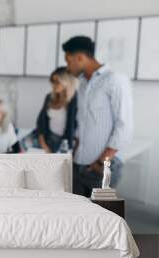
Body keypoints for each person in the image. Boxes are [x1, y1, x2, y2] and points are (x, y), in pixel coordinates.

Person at [62, 36, 133, 197]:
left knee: (99, 217)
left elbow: (124, 125)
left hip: (102, 166)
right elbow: (81, 122)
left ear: (80, 58)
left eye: (69, 61)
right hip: (79, 163)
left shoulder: (115, 80)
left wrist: (102, 161)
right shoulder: (82, 83)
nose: (67, 67)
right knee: (76, 215)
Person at [36, 67, 78, 153]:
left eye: (57, 82)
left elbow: (74, 126)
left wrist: (68, 148)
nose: (53, 85)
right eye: (52, 81)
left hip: (64, 143)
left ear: (66, 82)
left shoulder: (74, 100)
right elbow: (40, 121)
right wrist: (43, 144)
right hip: (48, 139)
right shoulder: (49, 97)